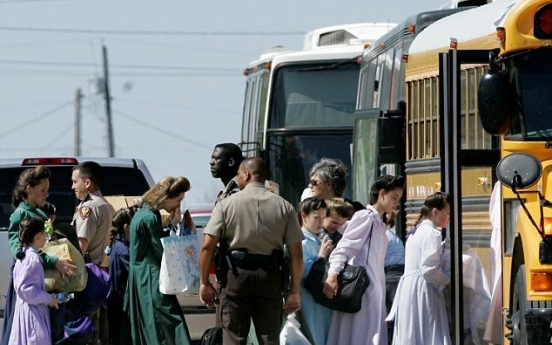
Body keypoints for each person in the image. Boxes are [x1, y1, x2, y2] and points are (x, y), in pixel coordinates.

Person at [199, 157, 305, 345]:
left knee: (233, 336)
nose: (238, 180)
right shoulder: (285, 206)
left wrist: (204, 282)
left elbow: (207, 246)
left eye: (239, 175)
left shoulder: (227, 204)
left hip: (235, 277)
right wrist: (294, 290)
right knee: (269, 338)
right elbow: (296, 253)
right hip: (270, 277)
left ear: (246, 175)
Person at [324, 175, 405, 345]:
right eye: (394, 198)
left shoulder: (378, 223)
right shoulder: (366, 217)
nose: (396, 203)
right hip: (363, 292)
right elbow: (344, 248)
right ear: (382, 194)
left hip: (371, 292)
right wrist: (332, 275)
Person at [1, 166, 75, 345]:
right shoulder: (21, 215)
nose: (46, 195)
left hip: (41, 277)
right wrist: (53, 261)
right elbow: (21, 249)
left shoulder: (40, 212)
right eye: (43, 190)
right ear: (29, 189)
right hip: (29, 276)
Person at [125, 176, 192, 345]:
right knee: (167, 325)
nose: (178, 205)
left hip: (143, 278)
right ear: (166, 198)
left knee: (150, 327)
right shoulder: (149, 218)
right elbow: (163, 251)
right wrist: (175, 227)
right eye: (178, 200)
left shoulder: (145, 214)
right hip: (151, 278)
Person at [387, 191, 452, 345]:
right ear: (435, 212)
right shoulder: (432, 234)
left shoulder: (416, 233)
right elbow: (429, 269)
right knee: (427, 331)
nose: (449, 217)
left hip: (409, 289)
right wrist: (448, 278)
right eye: (447, 213)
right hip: (423, 290)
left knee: (412, 331)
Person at [71, 161, 116, 345]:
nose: (72, 187)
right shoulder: (107, 205)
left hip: (90, 277)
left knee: (87, 331)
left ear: (87, 183)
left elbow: (80, 247)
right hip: (105, 275)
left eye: (75, 182)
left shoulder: (87, 208)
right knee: (103, 333)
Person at [9, 217, 61, 345]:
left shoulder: (24, 255)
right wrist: (49, 299)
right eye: (44, 233)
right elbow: (26, 290)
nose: (46, 237)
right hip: (32, 314)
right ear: (38, 236)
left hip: (27, 311)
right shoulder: (32, 259)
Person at [297, 197, 333, 345]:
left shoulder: (317, 239)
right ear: (304, 216)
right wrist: (321, 257)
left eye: (323, 218)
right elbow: (303, 272)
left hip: (320, 302)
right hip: (308, 301)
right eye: (316, 218)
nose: (320, 223)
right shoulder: (302, 242)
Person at [107, 205, 138, 345]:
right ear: (127, 227)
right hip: (120, 304)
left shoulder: (119, 246)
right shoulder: (123, 250)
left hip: (117, 303)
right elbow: (137, 271)